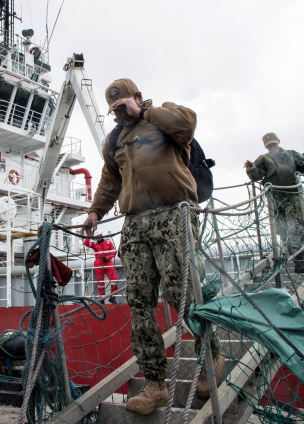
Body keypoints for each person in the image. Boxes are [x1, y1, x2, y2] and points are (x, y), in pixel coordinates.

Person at [81, 78, 224, 415]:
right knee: (139, 302)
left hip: (174, 214)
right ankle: (155, 384)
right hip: (136, 224)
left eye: (124, 105)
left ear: (138, 97)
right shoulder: (116, 139)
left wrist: (144, 111)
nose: (120, 112)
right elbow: (111, 179)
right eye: (114, 109)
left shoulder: (164, 116)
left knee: (182, 294)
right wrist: (94, 211)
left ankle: (210, 357)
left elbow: (187, 123)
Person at [244, 133, 304, 274]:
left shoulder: (291, 155)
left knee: (296, 227)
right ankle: (292, 255)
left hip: (293, 196)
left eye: (274, 144)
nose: (273, 147)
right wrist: (251, 168)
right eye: (270, 146)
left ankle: (300, 259)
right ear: (266, 147)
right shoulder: (264, 159)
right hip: (275, 199)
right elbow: (256, 176)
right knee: (282, 230)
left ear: (278, 142)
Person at [83, 234, 119, 303]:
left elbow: (113, 252)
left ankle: (113, 297)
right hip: (98, 264)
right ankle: (102, 299)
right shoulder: (94, 243)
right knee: (100, 283)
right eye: (96, 237)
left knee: (114, 279)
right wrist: (89, 234)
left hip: (108, 263)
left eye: (98, 236)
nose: (98, 238)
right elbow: (86, 243)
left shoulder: (108, 242)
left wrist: (109, 257)